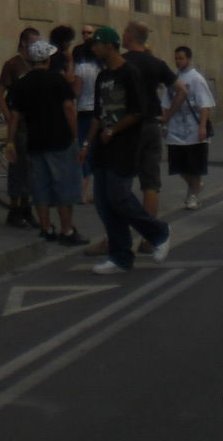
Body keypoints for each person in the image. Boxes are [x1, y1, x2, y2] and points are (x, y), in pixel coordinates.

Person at [83, 26, 171, 274]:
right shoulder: (102, 77)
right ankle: (121, 256)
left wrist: (114, 130)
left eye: (97, 43)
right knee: (103, 202)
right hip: (102, 146)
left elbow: (139, 111)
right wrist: (87, 144)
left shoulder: (129, 73)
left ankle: (159, 232)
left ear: (110, 45)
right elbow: (98, 114)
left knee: (119, 196)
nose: (94, 47)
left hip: (124, 145)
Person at [5, 39, 85, 245]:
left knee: (39, 186)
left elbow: (15, 116)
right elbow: (68, 108)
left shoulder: (22, 83)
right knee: (63, 186)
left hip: (35, 141)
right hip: (60, 140)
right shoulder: (57, 81)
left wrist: (10, 142)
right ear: (47, 59)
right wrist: (76, 136)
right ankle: (67, 230)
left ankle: (46, 227)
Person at [120, 21, 177, 243]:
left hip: (129, 127)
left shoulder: (122, 63)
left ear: (131, 36)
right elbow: (180, 89)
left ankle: (117, 238)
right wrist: (168, 115)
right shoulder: (156, 63)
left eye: (125, 32)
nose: (122, 35)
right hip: (152, 124)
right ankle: (150, 237)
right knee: (151, 183)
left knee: (121, 182)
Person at [0, 27, 39, 229]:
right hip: (18, 123)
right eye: (32, 43)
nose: (35, 47)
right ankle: (15, 209)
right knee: (18, 166)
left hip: (33, 122)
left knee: (31, 168)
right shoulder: (13, 65)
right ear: (22, 43)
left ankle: (26, 207)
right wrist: (7, 114)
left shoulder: (36, 65)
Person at [162, 45, 214, 210]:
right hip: (175, 130)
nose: (178, 61)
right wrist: (165, 123)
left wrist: (203, 127)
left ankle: (193, 194)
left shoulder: (196, 78)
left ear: (189, 59)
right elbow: (166, 103)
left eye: (181, 58)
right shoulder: (173, 79)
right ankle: (196, 185)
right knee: (178, 166)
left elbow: (205, 105)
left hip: (193, 128)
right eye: (176, 58)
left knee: (193, 165)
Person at [72, 25, 101, 203]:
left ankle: (84, 190)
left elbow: (76, 92)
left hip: (83, 111)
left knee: (84, 148)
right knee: (97, 148)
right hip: (98, 112)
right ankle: (99, 190)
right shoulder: (101, 68)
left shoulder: (80, 69)